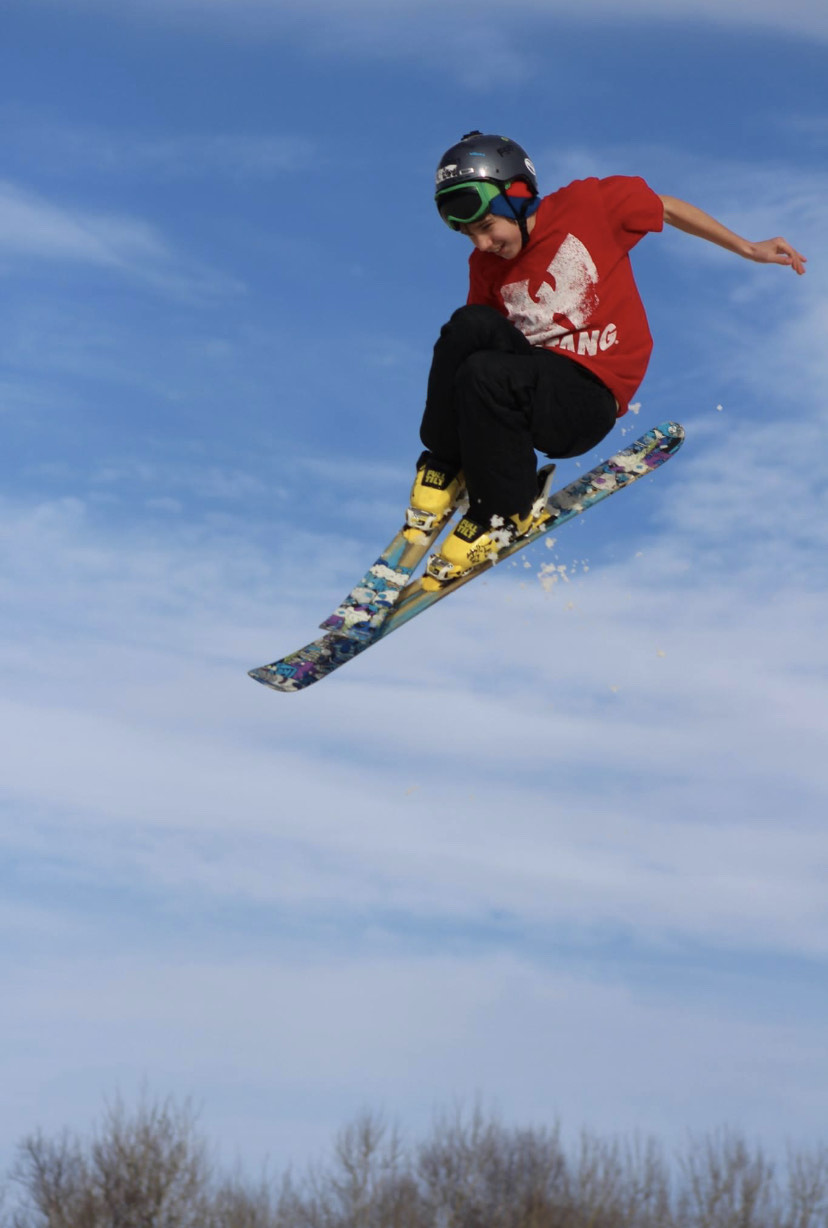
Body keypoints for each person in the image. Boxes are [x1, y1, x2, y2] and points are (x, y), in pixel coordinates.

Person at [411, 131, 806, 587]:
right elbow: (471, 352)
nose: (482, 244)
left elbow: (668, 207)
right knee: (468, 326)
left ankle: (504, 512)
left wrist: (748, 248)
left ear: (517, 196)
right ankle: (444, 465)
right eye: (469, 235)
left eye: (486, 227)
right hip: (532, 384)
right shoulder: (486, 268)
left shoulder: (589, 206)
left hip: (588, 395)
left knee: (486, 373)